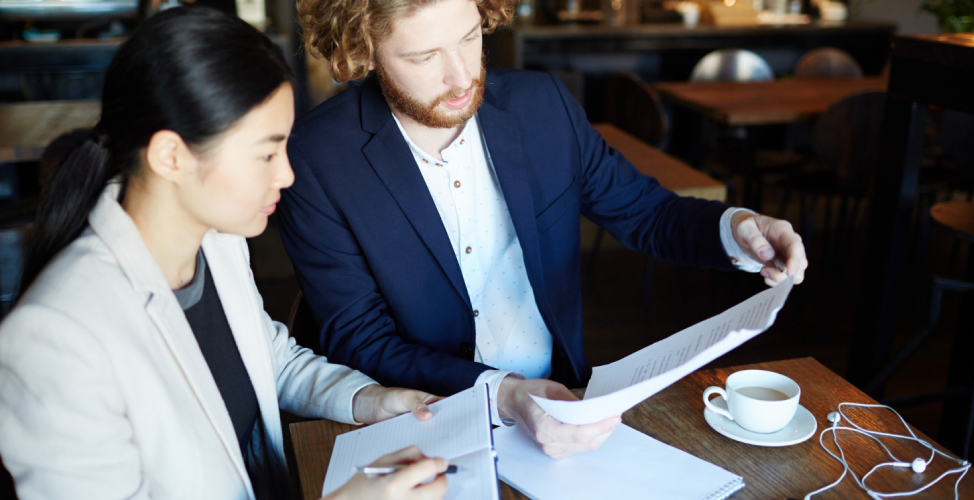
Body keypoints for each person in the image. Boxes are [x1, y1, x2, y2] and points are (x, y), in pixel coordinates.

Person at [282, 0, 808, 459]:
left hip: (562, 400)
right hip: (417, 420)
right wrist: (503, 392)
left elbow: (646, 211)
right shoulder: (317, 157)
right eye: (424, 58)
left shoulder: (543, 106)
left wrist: (738, 227)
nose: (462, 76)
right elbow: (362, 339)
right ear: (363, 50)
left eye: (470, 38)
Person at [0, 7, 449, 500]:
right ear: (171, 157)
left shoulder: (215, 240)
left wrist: (371, 401)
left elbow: (268, 358)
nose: (287, 175)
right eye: (265, 154)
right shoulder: (54, 340)